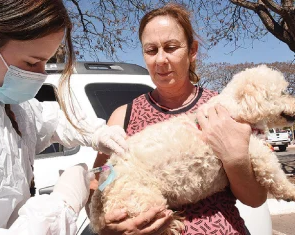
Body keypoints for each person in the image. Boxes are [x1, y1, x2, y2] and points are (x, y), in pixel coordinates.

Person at [0, 0, 128, 234]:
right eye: (32, 62)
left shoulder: (7, 104)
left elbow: (53, 120)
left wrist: (97, 132)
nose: (41, 74)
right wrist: (61, 206)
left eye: (46, 62)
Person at [87, 3, 268, 234]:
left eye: (171, 47)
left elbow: (255, 198)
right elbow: (100, 183)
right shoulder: (123, 117)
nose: (161, 59)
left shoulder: (223, 108)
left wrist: (234, 158)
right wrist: (108, 224)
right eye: (151, 50)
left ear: (192, 51)